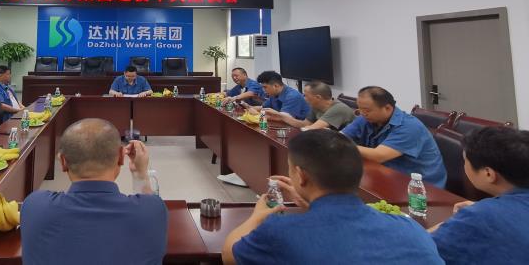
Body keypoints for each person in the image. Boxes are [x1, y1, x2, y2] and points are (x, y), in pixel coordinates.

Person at [222, 129, 443, 265]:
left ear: (301, 175)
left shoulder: (280, 232)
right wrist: (311, 205)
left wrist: (257, 216)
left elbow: (229, 255)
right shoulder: (410, 229)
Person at [21, 119, 168, 265]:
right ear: (121, 157)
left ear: (63, 162)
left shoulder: (35, 206)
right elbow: (149, 204)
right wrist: (140, 173)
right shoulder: (153, 210)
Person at [430, 127, 529, 264]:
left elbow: (421, 250)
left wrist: (477, 215)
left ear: (488, 174)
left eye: (465, 161)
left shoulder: (480, 217)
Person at [341, 86, 447, 187]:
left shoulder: (409, 126)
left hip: (420, 187)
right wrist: (337, 141)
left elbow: (378, 156)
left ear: (387, 108)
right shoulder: (366, 118)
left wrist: (344, 145)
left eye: (367, 110)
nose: (363, 113)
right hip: (385, 174)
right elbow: (340, 136)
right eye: (360, 109)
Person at [265, 81, 355, 131]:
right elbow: (304, 124)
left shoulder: (338, 109)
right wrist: (281, 116)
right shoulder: (316, 106)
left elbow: (310, 129)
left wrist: (282, 117)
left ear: (318, 97)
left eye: (306, 95)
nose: (304, 98)